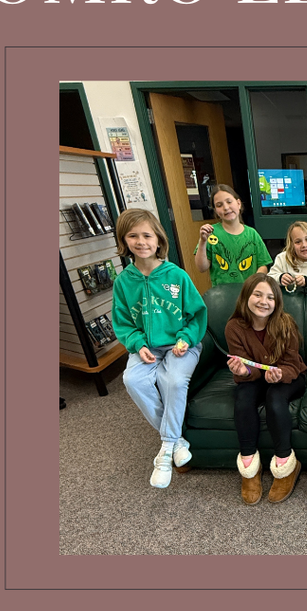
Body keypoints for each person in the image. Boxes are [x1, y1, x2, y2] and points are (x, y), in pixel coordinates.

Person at [111, 208, 207, 489]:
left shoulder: (175, 275)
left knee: (173, 380)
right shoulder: (123, 282)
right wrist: (137, 345)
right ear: (124, 240)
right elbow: (123, 323)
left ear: (158, 239)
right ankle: (176, 441)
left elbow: (196, 315)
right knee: (132, 379)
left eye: (147, 235)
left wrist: (186, 338)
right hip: (146, 348)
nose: (141, 242)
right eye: (133, 236)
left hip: (181, 346)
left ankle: (165, 452)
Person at [225, 275, 307, 504]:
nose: (264, 301)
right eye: (258, 295)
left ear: (277, 302)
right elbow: (244, 367)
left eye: (270, 297)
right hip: (253, 379)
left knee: (274, 398)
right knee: (242, 400)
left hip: (289, 376)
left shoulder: (285, 323)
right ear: (246, 297)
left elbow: (292, 363)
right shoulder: (234, 327)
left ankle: (285, 463)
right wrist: (243, 372)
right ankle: (249, 466)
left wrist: (281, 373)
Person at [195, 183, 271, 285]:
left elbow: (263, 265)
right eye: (219, 205)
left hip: (249, 293)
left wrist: (253, 284)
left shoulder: (252, 234)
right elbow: (201, 268)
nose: (226, 207)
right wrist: (203, 242)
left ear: (238, 203)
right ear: (216, 211)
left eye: (229, 202)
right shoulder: (211, 234)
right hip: (222, 295)